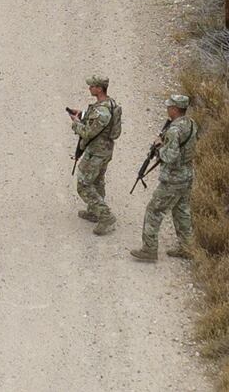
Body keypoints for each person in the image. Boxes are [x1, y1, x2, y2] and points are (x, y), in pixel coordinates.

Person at [131, 95, 198, 262]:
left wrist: (159, 146)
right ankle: (187, 248)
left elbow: (170, 156)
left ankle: (149, 250)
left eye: (170, 107)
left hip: (173, 179)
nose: (167, 109)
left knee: (154, 211)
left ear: (175, 109)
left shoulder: (174, 130)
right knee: (181, 211)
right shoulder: (190, 124)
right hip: (187, 175)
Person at [67, 75, 122, 236]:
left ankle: (105, 216)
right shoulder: (109, 104)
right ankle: (93, 211)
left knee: (83, 185)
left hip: (97, 152)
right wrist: (83, 114)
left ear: (100, 88)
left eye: (92, 86)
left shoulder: (103, 111)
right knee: (97, 181)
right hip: (103, 150)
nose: (90, 88)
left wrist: (76, 123)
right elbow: (100, 123)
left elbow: (89, 132)